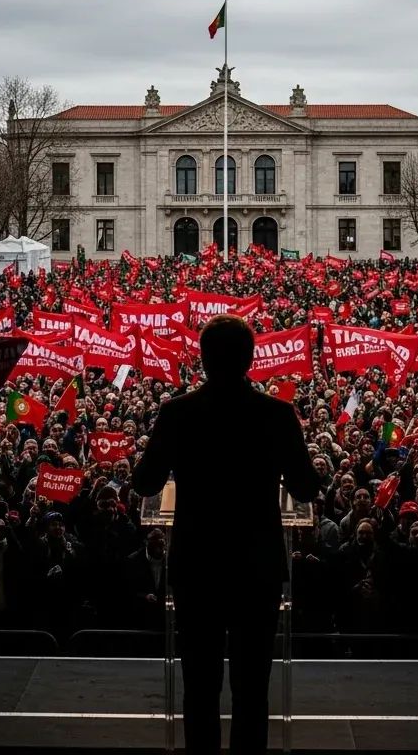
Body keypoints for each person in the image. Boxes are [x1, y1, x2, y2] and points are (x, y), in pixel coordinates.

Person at [132, 314, 318, 755]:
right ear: (251, 359)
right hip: (256, 566)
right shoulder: (276, 414)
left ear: (202, 358)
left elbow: (144, 484)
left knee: (200, 688)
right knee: (253, 690)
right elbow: (306, 488)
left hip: (198, 564)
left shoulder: (177, 413)